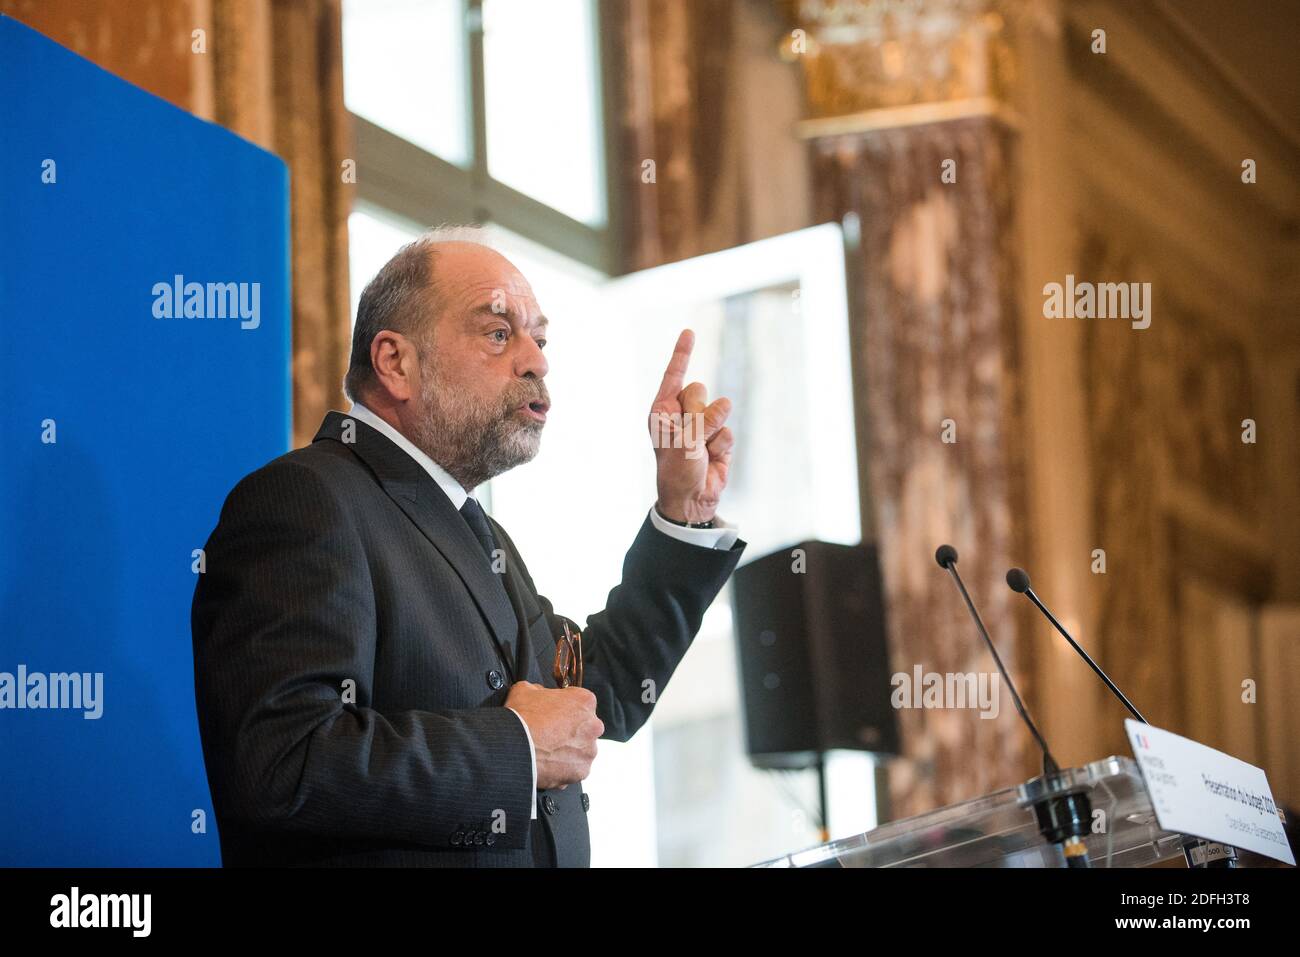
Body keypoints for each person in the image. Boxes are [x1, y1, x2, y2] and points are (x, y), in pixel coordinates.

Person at [191, 226, 745, 866]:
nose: (537, 359)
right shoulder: (304, 500)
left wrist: (682, 511)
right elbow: (281, 763)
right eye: (499, 332)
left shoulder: (475, 529)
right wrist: (515, 746)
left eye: (540, 337)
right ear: (396, 361)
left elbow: (600, 693)